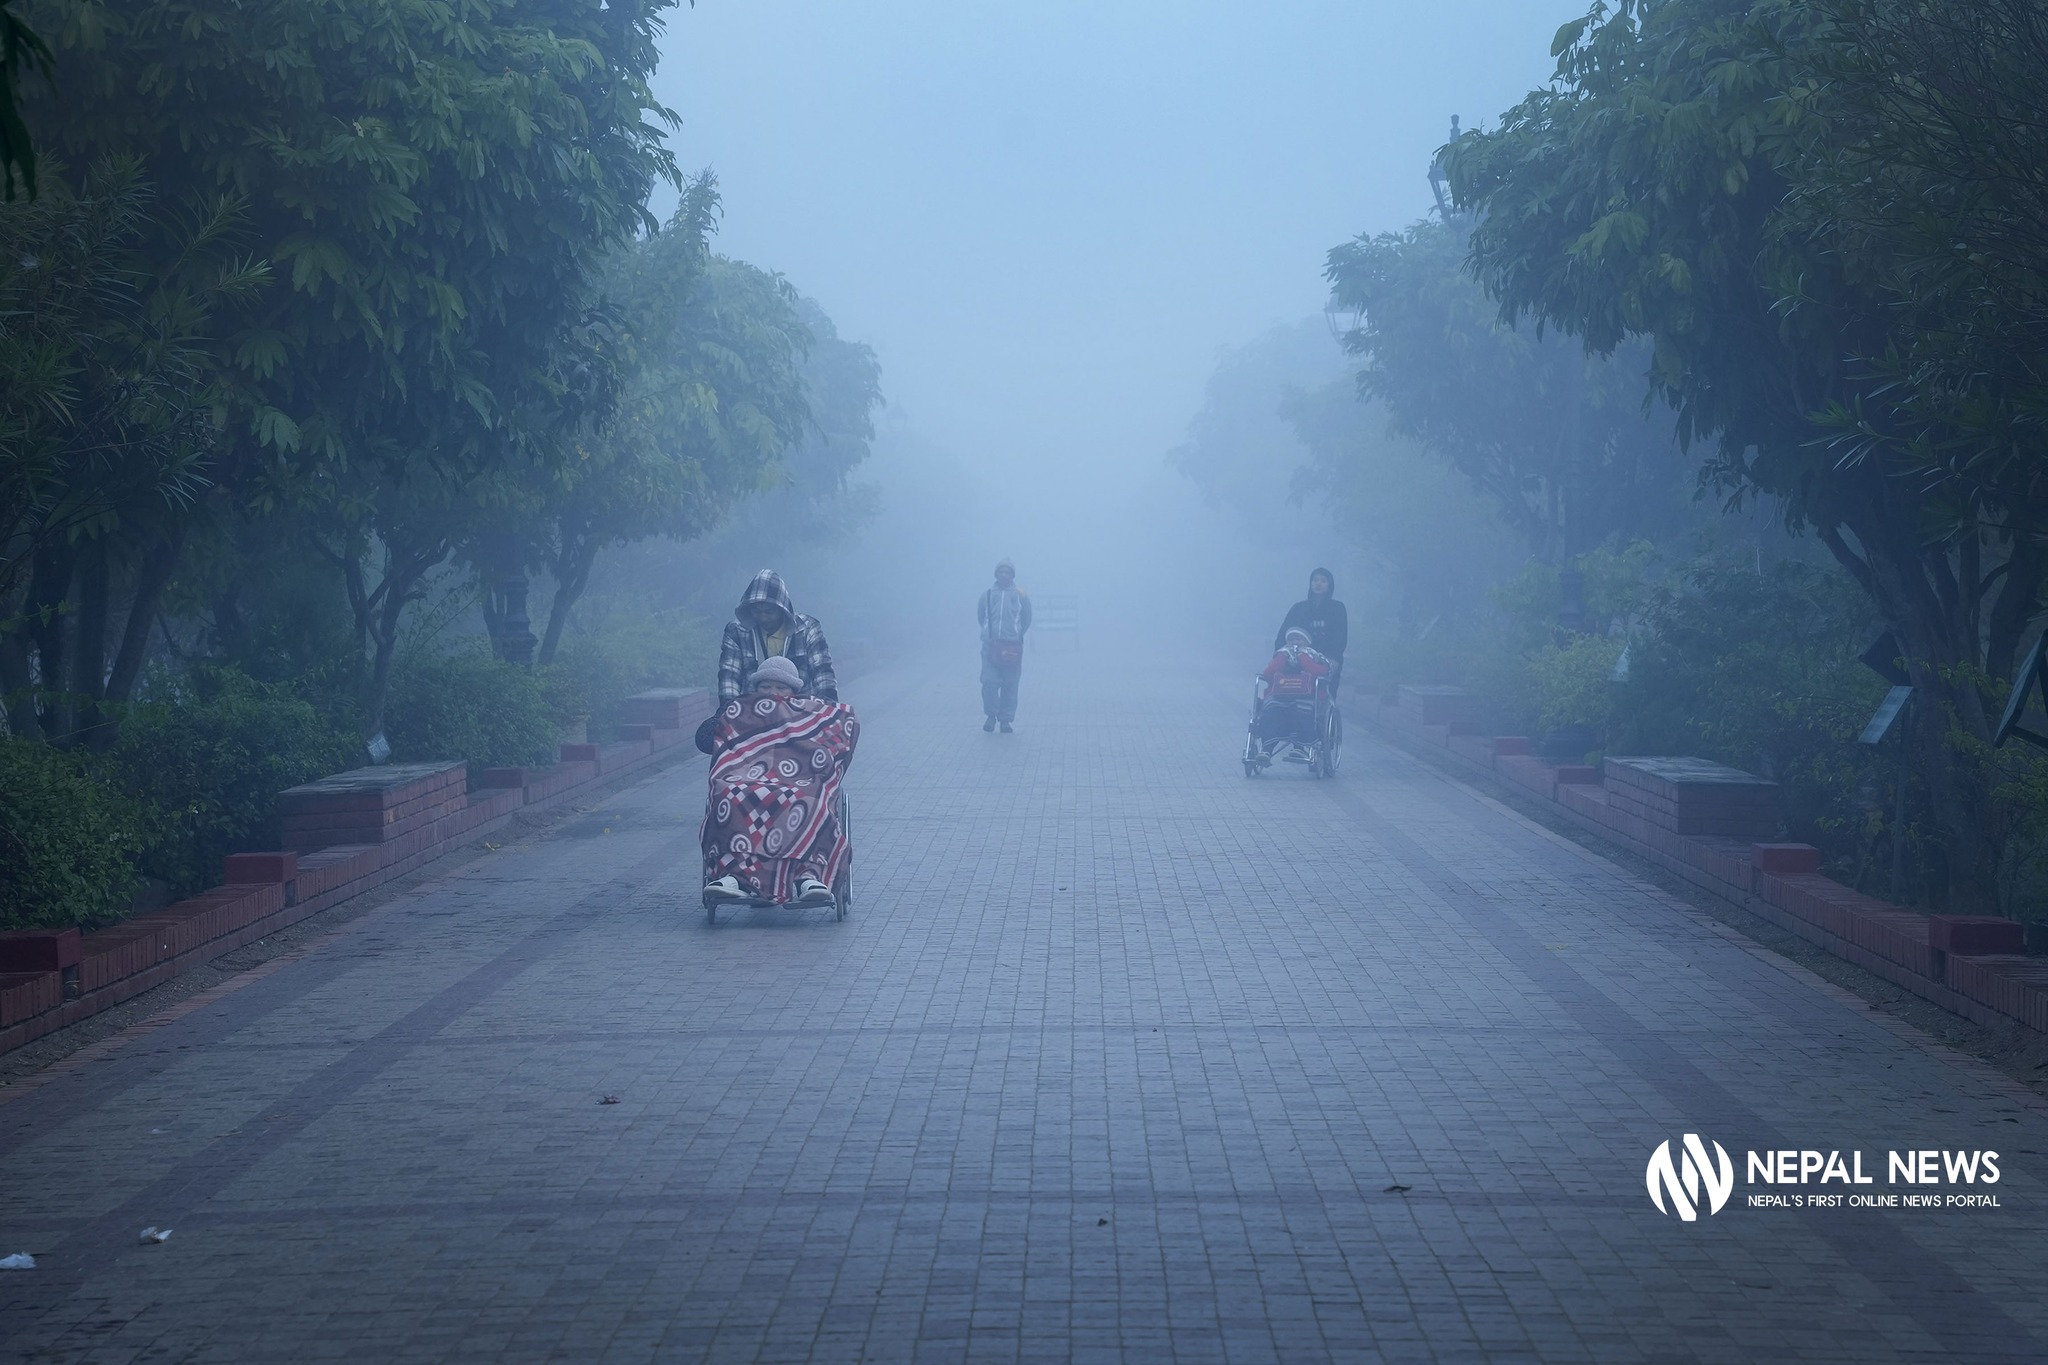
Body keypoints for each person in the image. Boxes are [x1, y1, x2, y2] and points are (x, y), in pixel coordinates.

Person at [701, 656, 860, 908]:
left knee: (812, 800)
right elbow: (704, 739)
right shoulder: (743, 711)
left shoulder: (808, 714)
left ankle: (808, 877)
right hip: (746, 776)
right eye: (766, 687)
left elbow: (838, 734)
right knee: (729, 795)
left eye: (781, 687)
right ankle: (734, 876)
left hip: (798, 780)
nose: (773, 693)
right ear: (756, 689)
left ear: (794, 691)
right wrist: (725, 717)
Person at [717, 569, 838, 706]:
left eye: (769, 612)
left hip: (801, 711)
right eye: (757, 611)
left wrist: (830, 709)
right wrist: (728, 710)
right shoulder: (737, 631)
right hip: (753, 712)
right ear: (749, 609)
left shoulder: (807, 628)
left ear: (782, 609)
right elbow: (730, 675)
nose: (763, 617)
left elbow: (822, 671)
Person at [976, 558, 1032, 733]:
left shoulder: (1020, 594)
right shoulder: (986, 595)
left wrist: (1017, 634)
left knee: (1010, 684)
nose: (1004, 575)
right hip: (990, 646)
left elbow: (1027, 618)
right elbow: (980, 616)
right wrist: (989, 634)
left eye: (1007, 572)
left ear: (1012, 575)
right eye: (1001, 572)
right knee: (989, 682)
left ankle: (1005, 720)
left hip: (1012, 647)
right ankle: (991, 716)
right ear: (996, 574)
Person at [1274, 567, 1347, 692]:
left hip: (1326, 659)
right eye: (1315, 580)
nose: (1318, 583)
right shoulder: (1298, 608)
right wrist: (1279, 654)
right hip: (1296, 659)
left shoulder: (1337, 609)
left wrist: (1333, 659)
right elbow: (1283, 634)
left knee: (1323, 696)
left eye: (1323, 581)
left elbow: (1341, 637)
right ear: (1310, 583)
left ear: (1330, 585)